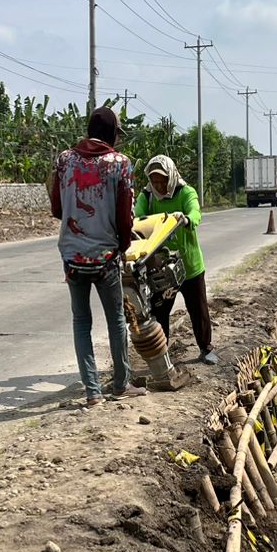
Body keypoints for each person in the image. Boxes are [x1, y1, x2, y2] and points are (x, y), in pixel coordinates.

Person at [49, 105, 145, 404]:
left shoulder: (64, 160)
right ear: (111, 135)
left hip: (72, 255)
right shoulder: (119, 164)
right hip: (105, 256)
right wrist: (123, 245)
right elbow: (126, 217)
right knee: (116, 319)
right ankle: (120, 385)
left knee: (81, 321)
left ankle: (91, 392)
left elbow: (56, 208)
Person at [134, 153, 216, 365]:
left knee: (198, 308)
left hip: (189, 266)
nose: (159, 185)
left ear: (171, 177)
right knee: (159, 311)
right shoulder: (147, 196)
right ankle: (162, 356)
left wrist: (187, 219)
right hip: (160, 268)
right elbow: (138, 218)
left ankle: (206, 348)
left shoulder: (185, 192)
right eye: (154, 181)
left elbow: (195, 211)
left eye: (162, 180)